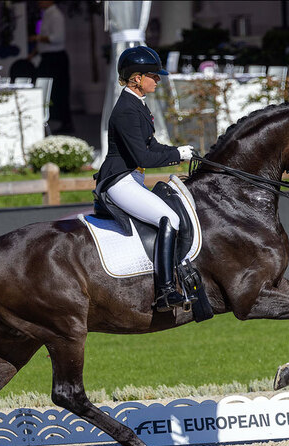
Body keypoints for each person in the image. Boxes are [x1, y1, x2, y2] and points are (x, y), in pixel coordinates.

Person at [94, 46, 195, 312]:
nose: (158, 79)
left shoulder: (137, 104)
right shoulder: (127, 110)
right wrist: (176, 155)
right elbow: (144, 157)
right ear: (136, 78)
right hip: (119, 181)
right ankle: (165, 291)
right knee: (169, 219)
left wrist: (180, 152)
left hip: (133, 179)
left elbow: (152, 145)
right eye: (153, 75)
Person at [28, 0, 73, 133]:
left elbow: (57, 38)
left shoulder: (56, 15)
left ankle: (66, 123)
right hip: (46, 57)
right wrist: (33, 53)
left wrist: (37, 38)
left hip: (56, 58)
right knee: (48, 89)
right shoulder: (45, 15)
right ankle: (52, 121)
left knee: (60, 91)